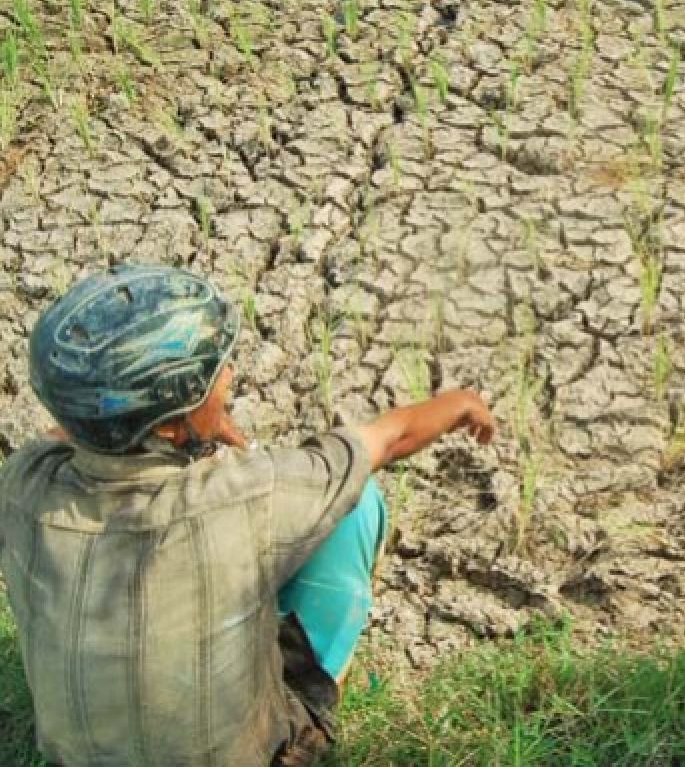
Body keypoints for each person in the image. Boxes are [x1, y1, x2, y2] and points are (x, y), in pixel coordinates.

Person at [0, 264, 496, 767]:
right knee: (356, 504)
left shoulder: (23, 484)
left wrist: (193, 421)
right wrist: (458, 403)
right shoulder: (252, 493)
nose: (230, 377)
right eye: (215, 377)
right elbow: (388, 439)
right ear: (170, 428)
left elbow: (68, 434)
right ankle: (309, 724)